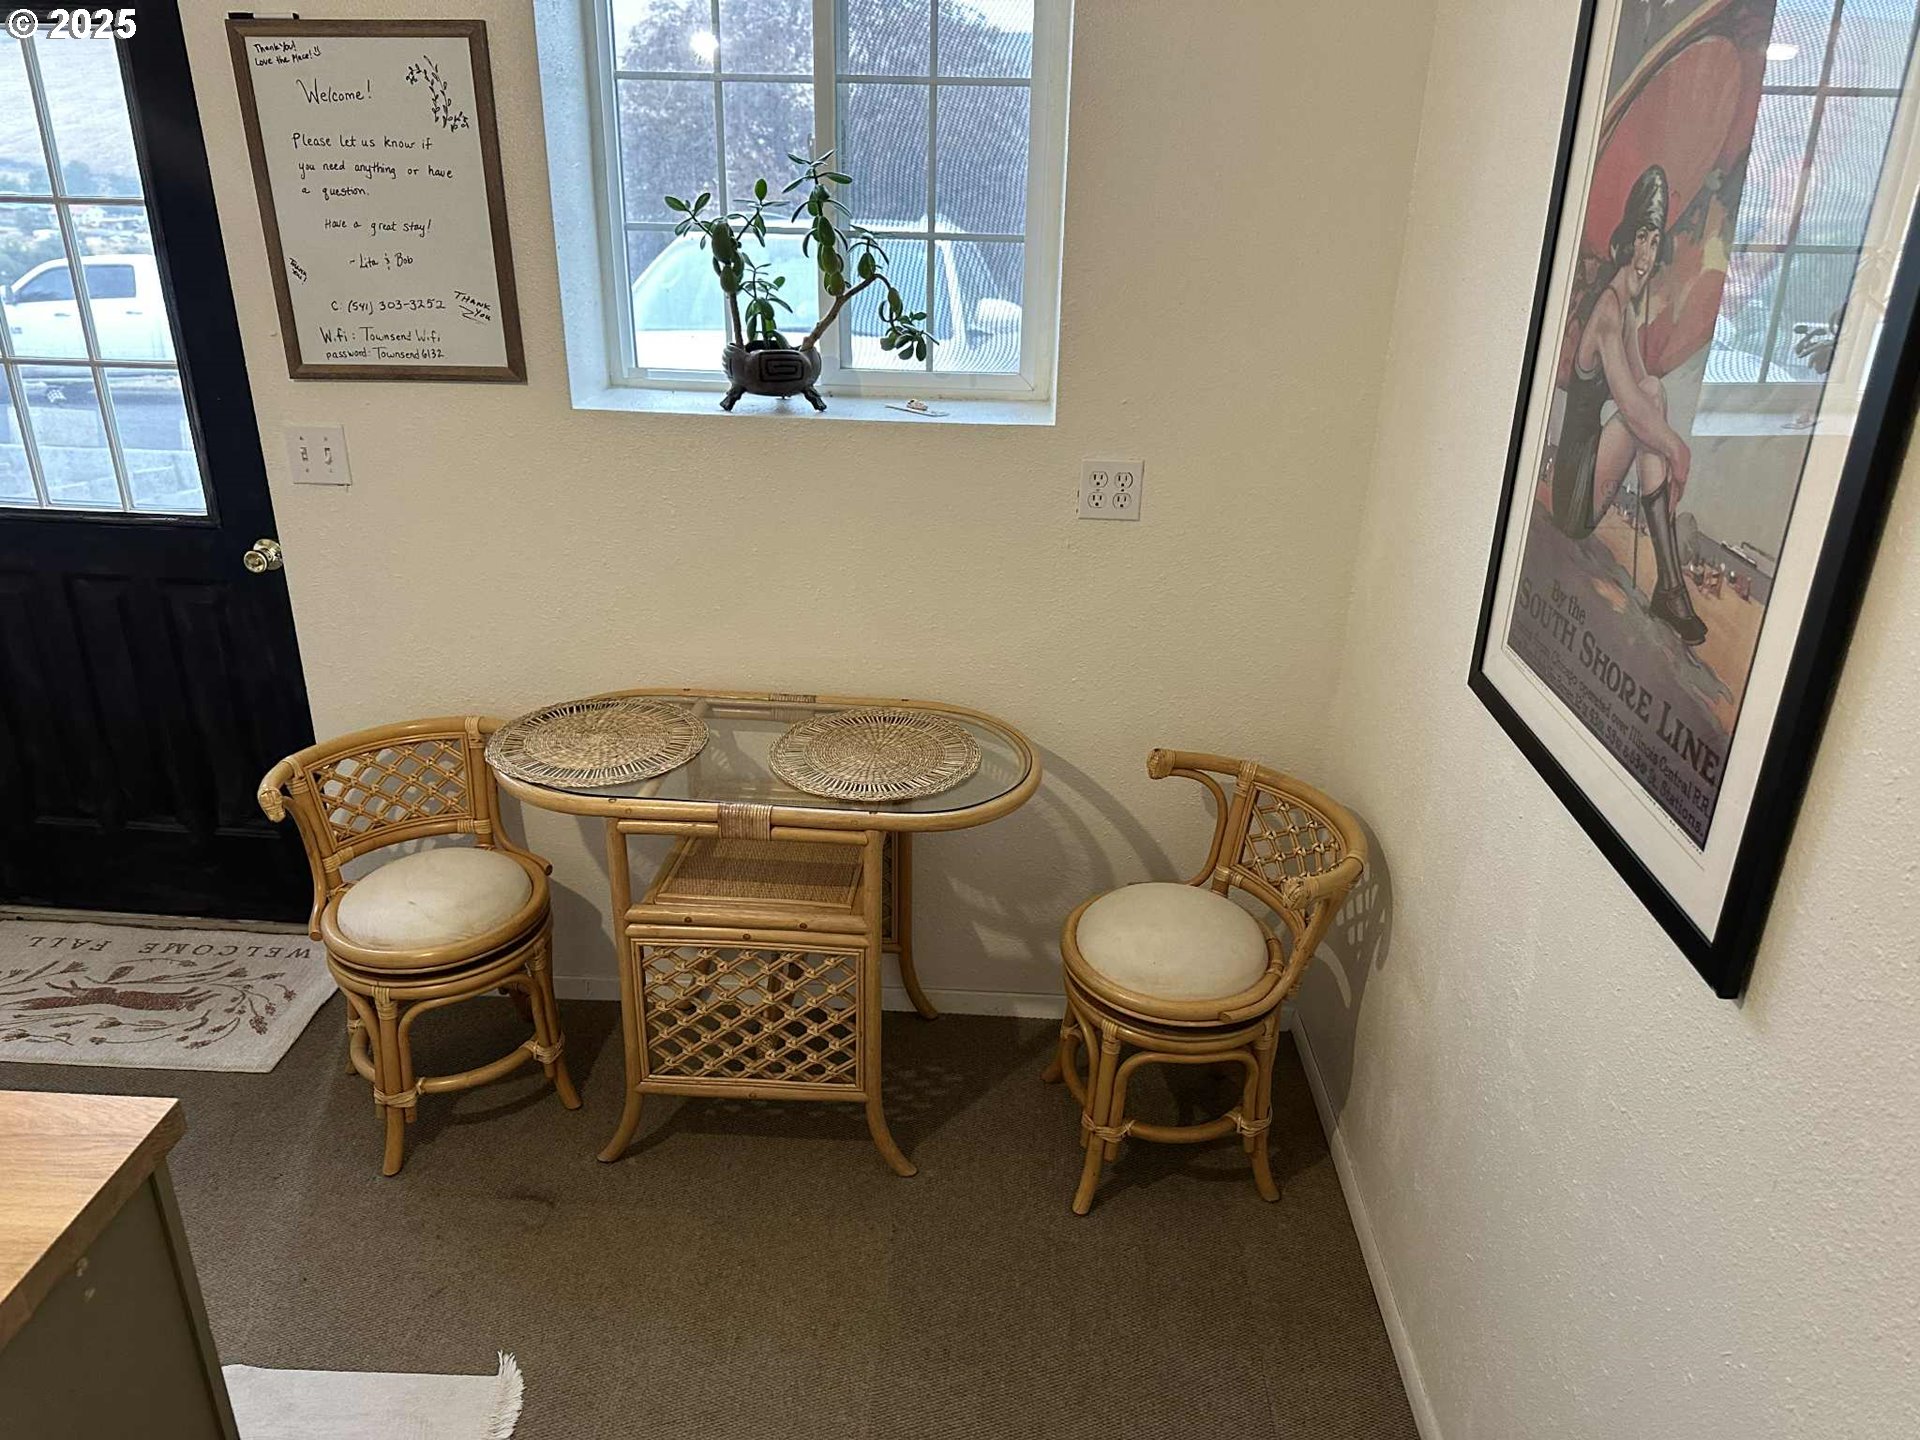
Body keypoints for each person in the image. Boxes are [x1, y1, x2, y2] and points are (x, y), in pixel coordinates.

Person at [1552, 164, 1706, 645]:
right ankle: (1670, 588)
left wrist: (1663, 440)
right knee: (1649, 408)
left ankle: (1671, 586)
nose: (1645, 254)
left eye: (1654, 240)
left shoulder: (1627, 307)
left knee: (1656, 390)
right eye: (1640, 237)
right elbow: (1633, 408)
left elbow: (1645, 388)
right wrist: (1678, 452)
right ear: (1625, 241)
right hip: (1574, 493)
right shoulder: (1610, 311)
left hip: (1591, 468)